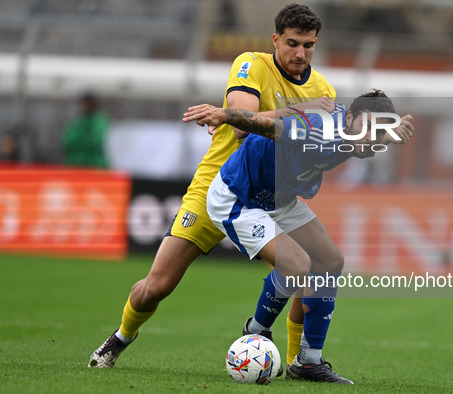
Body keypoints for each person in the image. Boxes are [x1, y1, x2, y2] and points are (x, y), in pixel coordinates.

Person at [89, 3, 335, 371]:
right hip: (216, 188)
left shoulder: (322, 89)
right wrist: (304, 112)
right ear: (275, 40)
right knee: (157, 286)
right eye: (293, 43)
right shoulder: (251, 64)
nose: (301, 53)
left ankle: (300, 360)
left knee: (315, 265)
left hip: (267, 196)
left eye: (309, 45)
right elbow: (239, 125)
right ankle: (121, 337)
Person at [182, 89, 414, 384]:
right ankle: (256, 331)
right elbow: (267, 127)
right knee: (296, 266)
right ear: (351, 117)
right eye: (365, 127)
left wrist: (389, 136)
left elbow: (366, 143)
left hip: (281, 197)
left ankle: (308, 362)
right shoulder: (315, 129)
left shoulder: (356, 130)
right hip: (239, 195)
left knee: (331, 261)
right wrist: (224, 114)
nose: (370, 137)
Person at [62, 92, 109, 168]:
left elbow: (96, 141)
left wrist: (80, 143)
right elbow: (67, 140)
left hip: (94, 166)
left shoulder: (99, 121)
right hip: (75, 165)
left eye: (87, 103)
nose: (84, 106)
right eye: (83, 103)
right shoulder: (78, 122)